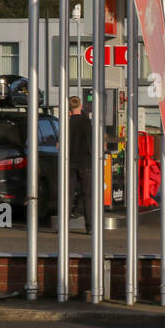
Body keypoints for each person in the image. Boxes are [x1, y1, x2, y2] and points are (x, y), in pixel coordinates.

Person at [68, 96, 93, 229]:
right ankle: (89, 225)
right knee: (88, 195)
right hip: (86, 163)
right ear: (81, 106)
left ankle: (64, 224)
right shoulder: (88, 123)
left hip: (70, 163)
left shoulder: (67, 123)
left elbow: (58, 145)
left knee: (68, 194)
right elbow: (92, 143)